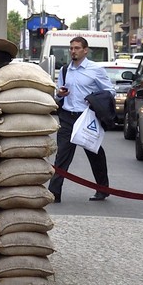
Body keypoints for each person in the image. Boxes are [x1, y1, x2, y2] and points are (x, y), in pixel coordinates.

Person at [47, 35, 112, 202]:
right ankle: (54, 193)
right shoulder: (65, 70)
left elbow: (109, 92)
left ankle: (102, 189)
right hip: (68, 116)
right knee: (62, 155)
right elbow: (58, 94)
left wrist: (94, 98)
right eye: (71, 48)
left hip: (87, 117)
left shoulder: (95, 70)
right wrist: (60, 95)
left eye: (76, 48)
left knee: (94, 153)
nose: (73, 51)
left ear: (85, 50)